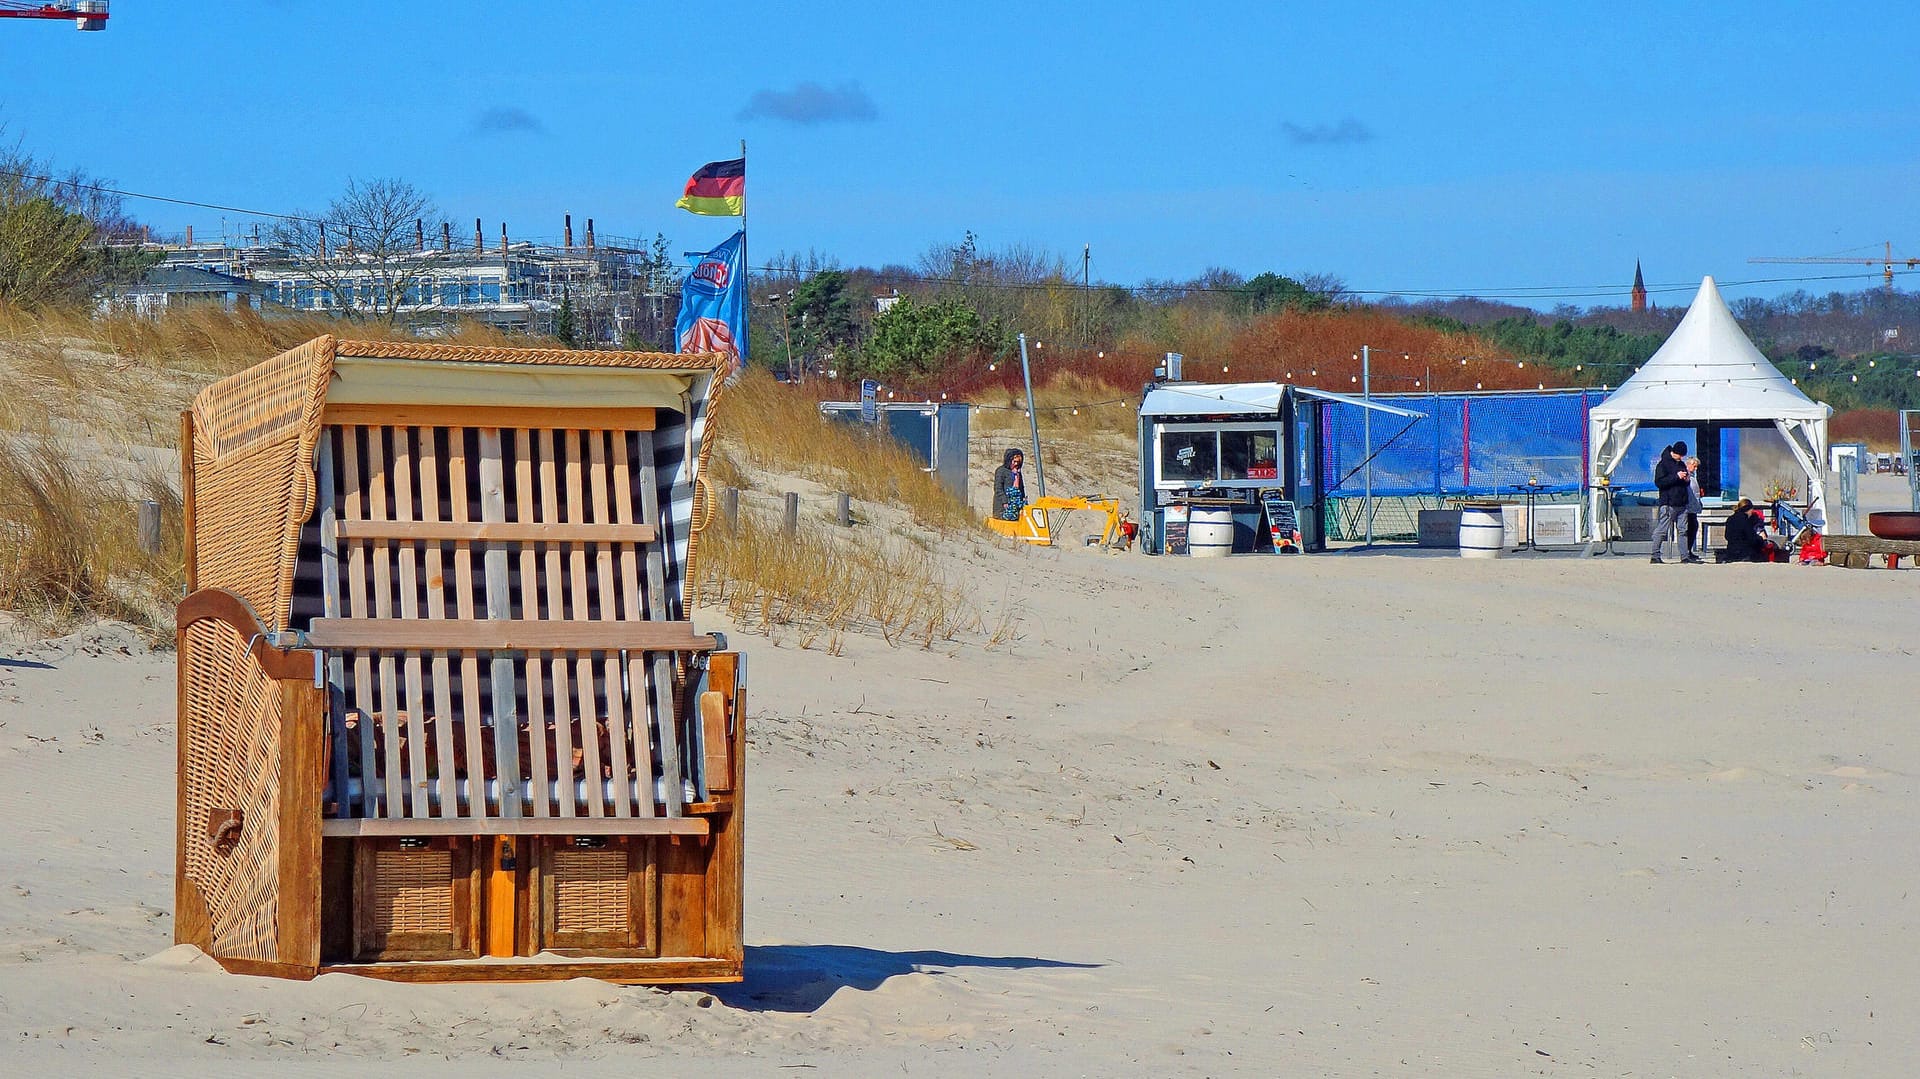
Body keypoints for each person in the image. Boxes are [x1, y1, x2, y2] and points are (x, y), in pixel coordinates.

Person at [1651, 441, 1700, 564]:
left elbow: (1685, 483)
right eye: (1679, 455)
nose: (1681, 457)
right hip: (1668, 503)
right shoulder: (1662, 465)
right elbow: (1659, 482)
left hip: (1682, 504)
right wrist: (1676, 476)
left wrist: (1686, 479)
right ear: (1674, 452)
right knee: (1662, 530)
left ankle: (1684, 556)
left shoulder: (1681, 464)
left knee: (1683, 530)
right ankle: (1655, 555)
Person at [1719, 498, 1779, 563]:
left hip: (1731, 552)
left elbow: (1727, 536)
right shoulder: (1745, 520)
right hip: (1744, 554)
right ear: (1749, 510)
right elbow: (1752, 538)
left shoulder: (1730, 519)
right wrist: (1761, 539)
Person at [992, 448, 1027, 522]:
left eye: (1018, 462)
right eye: (1014, 462)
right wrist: (1005, 501)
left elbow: (1021, 488)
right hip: (1002, 506)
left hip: (1016, 503)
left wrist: (1023, 498)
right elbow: (998, 488)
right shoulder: (1001, 471)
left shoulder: (1018, 473)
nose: (1016, 464)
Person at [1684, 455, 1705, 552]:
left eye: (1697, 466)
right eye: (1694, 466)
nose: (1696, 468)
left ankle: (1689, 550)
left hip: (1693, 507)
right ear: (1688, 464)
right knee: (1690, 528)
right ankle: (1687, 550)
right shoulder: (1685, 476)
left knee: (1694, 527)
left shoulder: (1692, 477)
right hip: (1687, 508)